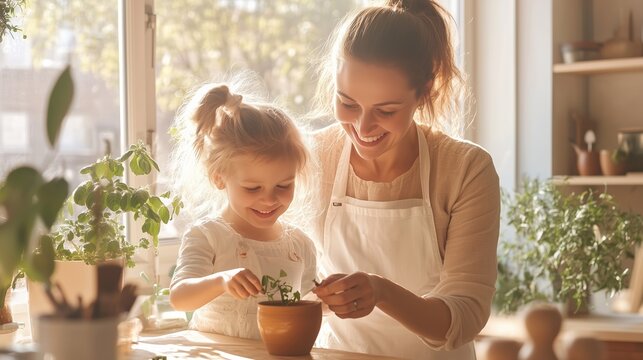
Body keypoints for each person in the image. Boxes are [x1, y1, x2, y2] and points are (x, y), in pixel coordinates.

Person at [308, 0, 500, 358]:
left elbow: (465, 313)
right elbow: (284, 269)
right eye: (347, 103)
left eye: (385, 110)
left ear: (424, 91)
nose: (363, 128)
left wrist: (381, 292)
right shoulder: (314, 157)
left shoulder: (465, 169)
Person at [168, 83, 317, 340]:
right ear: (219, 179)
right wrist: (220, 281)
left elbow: (309, 302)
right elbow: (180, 297)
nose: (269, 199)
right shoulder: (208, 236)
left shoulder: (299, 245)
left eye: (284, 185)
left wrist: (332, 297)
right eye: (252, 188)